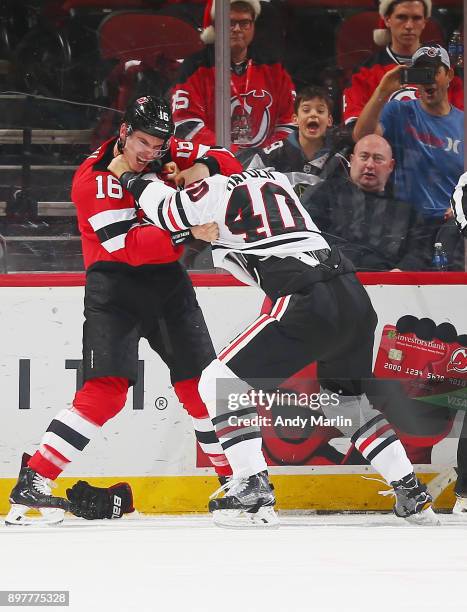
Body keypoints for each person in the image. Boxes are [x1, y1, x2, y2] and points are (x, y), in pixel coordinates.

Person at [107, 158, 439, 529]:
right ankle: (409, 488)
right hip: (352, 294)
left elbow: (165, 207)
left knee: (217, 382)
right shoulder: (275, 176)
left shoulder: (211, 190)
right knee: (345, 402)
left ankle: (252, 488)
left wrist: (128, 175)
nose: (183, 178)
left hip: (307, 296)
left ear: (210, 168)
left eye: (188, 171)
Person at [6, 95, 243, 526]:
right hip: (114, 286)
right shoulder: (91, 180)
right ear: (123, 133)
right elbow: (128, 248)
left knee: (201, 386)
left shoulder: (167, 151)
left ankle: (235, 485)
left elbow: (230, 160)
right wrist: (187, 231)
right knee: (107, 391)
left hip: (168, 283)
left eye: (157, 145)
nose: (149, 153)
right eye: (142, 142)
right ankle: (34, 481)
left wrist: (200, 169)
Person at [353, 45, 464, 253]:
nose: (428, 80)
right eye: (421, 73)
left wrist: (461, 208)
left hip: (450, 227)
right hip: (402, 227)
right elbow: (362, 137)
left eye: (434, 72)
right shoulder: (398, 111)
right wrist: (383, 90)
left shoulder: (463, 124)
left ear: (449, 75)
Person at [170, 0, 295, 149]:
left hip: (266, 169)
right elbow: (185, 124)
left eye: (244, 23)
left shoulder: (274, 70)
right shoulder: (195, 68)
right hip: (212, 168)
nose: (237, 29)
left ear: (253, 26)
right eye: (230, 22)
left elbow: (289, 123)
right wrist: (228, 155)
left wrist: (264, 157)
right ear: (216, 26)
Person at [302, 134, 430, 271]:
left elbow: (420, 253)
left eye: (378, 159)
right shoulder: (323, 194)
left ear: (391, 165)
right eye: (364, 157)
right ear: (352, 160)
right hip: (332, 278)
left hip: (388, 285)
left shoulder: (407, 209)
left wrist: (400, 273)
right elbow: (306, 237)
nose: (369, 165)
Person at [342, 0, 463, 127]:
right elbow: (356, 130)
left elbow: (461, 125)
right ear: (387, 20)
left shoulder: (447, 71)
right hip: (383, 144)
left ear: (424, 22)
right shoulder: (364, 74)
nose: (409, 25)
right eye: (402, 17)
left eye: (416, 18)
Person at [237, 85, 351, 183]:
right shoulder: (271, 156)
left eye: (320, 111)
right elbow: (247, 188)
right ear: (295, 119)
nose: (313, 115)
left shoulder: (338, 162)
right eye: (306, 110)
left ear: (329, 120)